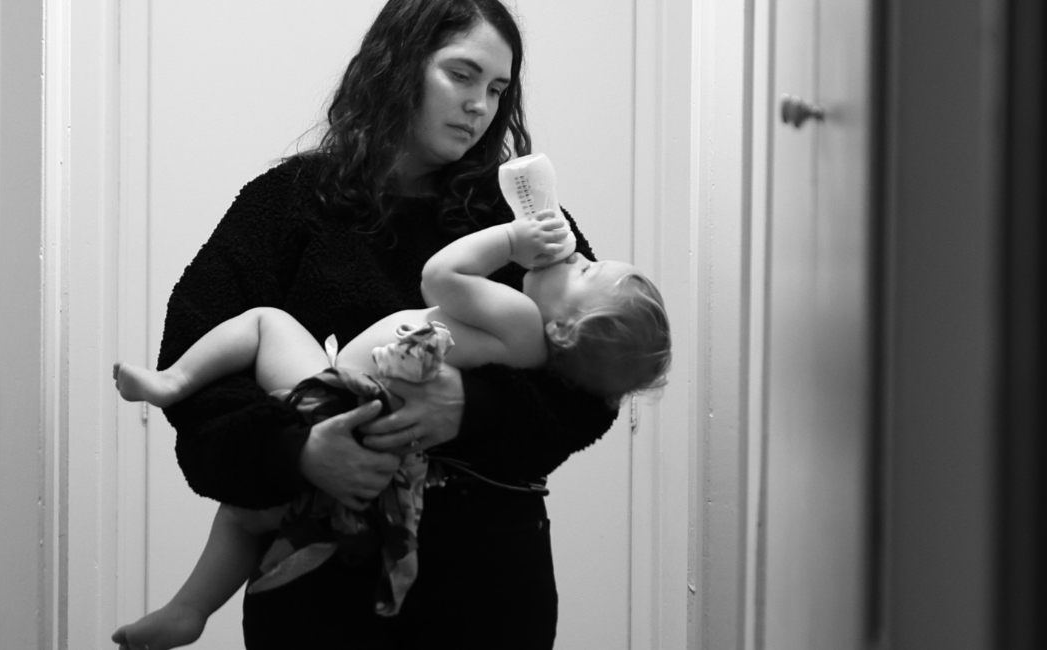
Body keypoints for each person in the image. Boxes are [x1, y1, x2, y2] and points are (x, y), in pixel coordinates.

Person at [122, 1, 624, 647]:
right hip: (319, 597)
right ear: (399, 65)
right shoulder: (285, 206)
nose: (481, 105)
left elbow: (594, 386)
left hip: (489, 590)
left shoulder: (525, 225)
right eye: (463, 75)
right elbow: (197, 379)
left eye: (498, 89)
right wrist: (297, 451)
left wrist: (472, 406)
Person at [112, 204, 670, 649]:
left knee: (267, 326)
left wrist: (510, 240)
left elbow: (440, 276)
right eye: (462, 75)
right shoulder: (533, 340)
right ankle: (188, 610)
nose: (576, 253)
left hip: (343, 397)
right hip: (363, 434)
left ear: (569, 330)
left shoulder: (523, 317)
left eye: (588, 270)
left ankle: (175, 383)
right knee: (252, 513)